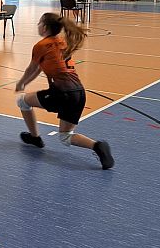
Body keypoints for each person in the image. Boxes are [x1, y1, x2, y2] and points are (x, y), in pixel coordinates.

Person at [14, 12, 114, 170]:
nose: (37, 25)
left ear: (45, 27)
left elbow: (31, 69)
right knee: (65, 136)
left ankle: (35, 137)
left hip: (62, 94)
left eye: (39, 23)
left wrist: (21, 83)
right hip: (79, 93)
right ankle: (97, 146)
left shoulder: (41, 46)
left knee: (22, 101)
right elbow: (39, 68)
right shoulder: (61, 42)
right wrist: (25, 83)